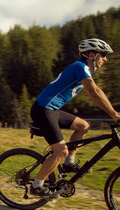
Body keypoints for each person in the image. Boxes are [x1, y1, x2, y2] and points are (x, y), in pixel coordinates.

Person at [30, 38, 120, 197]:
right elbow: (94, 93)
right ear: (92, 54)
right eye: (103, 55)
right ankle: (37, 186)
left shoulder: (83, 69)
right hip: (43, 109)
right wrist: (115, 115)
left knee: (83, 126)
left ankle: (69, 164)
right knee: (60, 151)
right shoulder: (81, 67)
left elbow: (96, 91)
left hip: (52, 109)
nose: (105, 59)